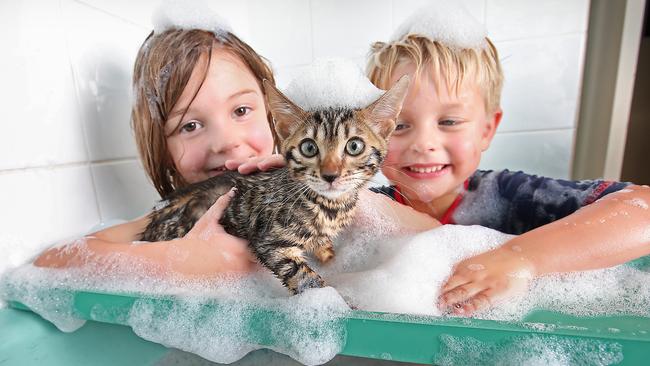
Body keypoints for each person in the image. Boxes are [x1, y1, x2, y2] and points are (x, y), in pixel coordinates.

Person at [34, 27, 437, 277]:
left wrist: (357, 202)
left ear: (281, 123)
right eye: (190, 125)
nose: (225, 141)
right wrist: (179, 259)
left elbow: (436, 244)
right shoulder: (181, 214)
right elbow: (52, 261)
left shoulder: (333, 195)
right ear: (163, 149)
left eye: (242, 110)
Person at [365, 6, 650, 316]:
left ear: (487, 129)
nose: (423, 144)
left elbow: (643, 208)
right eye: (399, 126)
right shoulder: (365, 208)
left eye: (448, 122)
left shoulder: (507, 194)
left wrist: (521, 258)